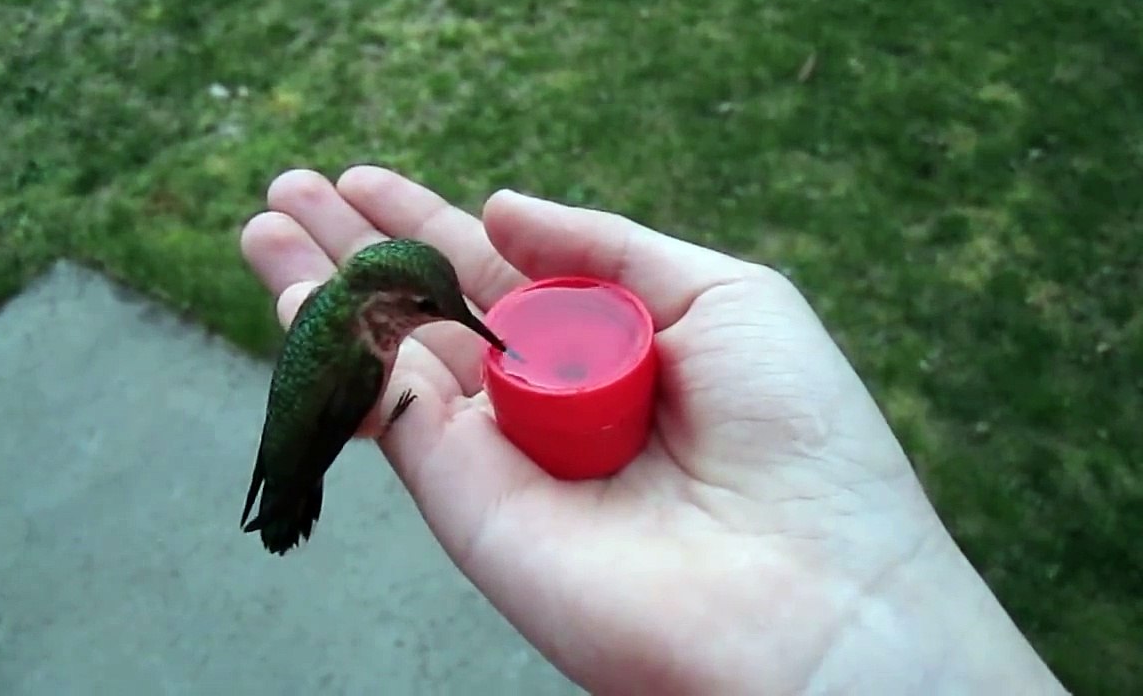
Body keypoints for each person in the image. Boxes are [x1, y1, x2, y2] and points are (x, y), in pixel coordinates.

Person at [239, 166, 1069, 695]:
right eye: (429, 314)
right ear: (387, 311)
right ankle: (285, 505)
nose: (451, 325)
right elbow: (321, 418)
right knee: (325, 446)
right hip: (311, 429)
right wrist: (303, 467)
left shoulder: (351, 313)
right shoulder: (351, 355)